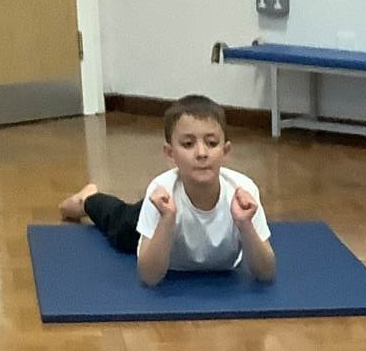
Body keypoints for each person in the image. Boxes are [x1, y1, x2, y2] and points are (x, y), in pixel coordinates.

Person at [58, 95, 275, 288]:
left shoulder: (242, 192)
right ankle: (88, 198)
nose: (201, 153)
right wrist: (167, 221)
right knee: (120, 225)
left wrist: (245, 224)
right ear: (170, 154)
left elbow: (266, 273)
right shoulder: (162, 192)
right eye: (188, 144)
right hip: (162, 214)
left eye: (211, 143)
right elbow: (149, 278)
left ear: (225, 151)